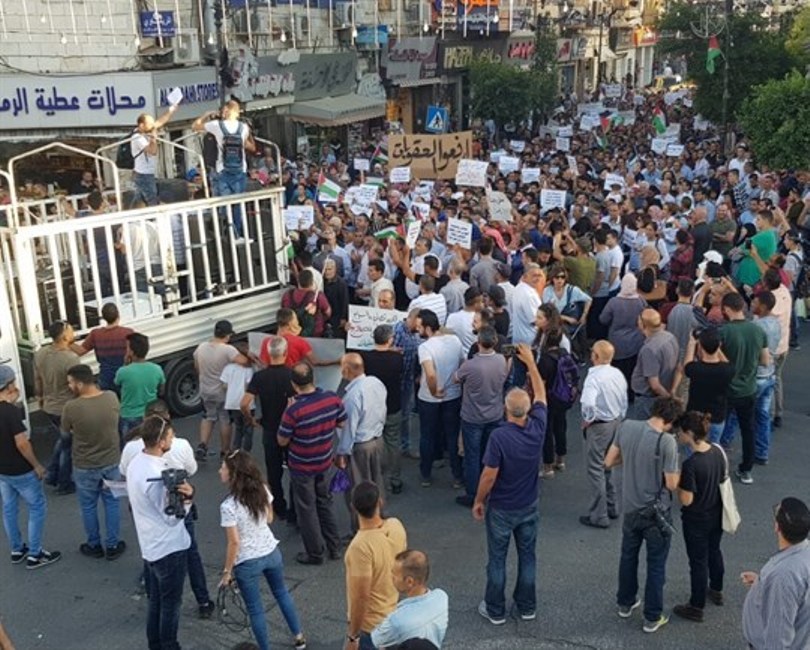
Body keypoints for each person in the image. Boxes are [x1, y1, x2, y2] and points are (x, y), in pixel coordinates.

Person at [119, 400, 215, 620]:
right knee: (191, 552)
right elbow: (191, 469)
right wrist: (188, 498)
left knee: (150, 549)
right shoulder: (180, 446)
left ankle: (151, 587)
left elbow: (123, 470)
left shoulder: (133, 449)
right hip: (176, 509)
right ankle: (203, 599)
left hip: (143, 510)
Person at [473, 343, 546, 626]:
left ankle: (495, 608)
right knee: (528, 556)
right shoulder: (538, 426)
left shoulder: (500, 437)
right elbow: (541, 394)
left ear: (506, 409)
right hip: (529, 504)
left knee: (497, 558)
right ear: (527, 409)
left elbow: (489, 475)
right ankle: (527, 606)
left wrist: (479, 500)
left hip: (502, 507)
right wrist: (531, 364)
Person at [605, 397, 683, 634]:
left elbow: (609, 461)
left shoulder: (626, 426)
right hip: (656, 512)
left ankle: (625, 602)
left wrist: (630, 458)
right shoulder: (667, 442)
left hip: (630, 506)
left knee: (628, 556)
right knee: (656, 564)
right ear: (671, 421)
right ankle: (652, 616)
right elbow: (671, 484)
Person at [218, 451, 307, 650]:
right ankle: (299, 636)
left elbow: (234, 543)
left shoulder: (228, 506)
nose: (220, 471)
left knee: (255, 610)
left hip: (247, 561)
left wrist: (227, 572)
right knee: (282, 593)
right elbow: (269, 519)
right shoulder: (262, 490)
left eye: (223, 468)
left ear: (233, 474)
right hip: (271, 552)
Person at [126, 416, 194, 650]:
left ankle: (155, 644)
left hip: (150, 546)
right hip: (169, 548)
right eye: (171, 437)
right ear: (161, 441)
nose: (173, 440)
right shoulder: (157, 474)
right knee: (170, 606)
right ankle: (169, 645)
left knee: (155, 602)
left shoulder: (136, 462)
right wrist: (188, 498)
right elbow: (171, 517)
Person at [278, 363, 346, 565]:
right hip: (324, 461)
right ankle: (335, 547)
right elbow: (342, 422)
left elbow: (282, 440)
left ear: (294, 384)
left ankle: (315, 553)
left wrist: (287, 411)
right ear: (313, 379)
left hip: (302, 466)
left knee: (307, 509)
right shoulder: (332, 398)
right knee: (325, 502)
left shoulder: (293, 411)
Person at [0, 365, 61, 570]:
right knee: (37, 507)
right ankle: (35, 554)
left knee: (9, 508)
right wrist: (37, 465)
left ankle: (17, 549)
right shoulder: (10, 412)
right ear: (10, 385)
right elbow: (22, 443)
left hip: (2, 471)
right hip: (20, 469)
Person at [62, 364, 125, 561]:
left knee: (88, 506)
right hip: (111, 461)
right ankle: (113, 545)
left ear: (80, 384)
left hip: (84, 465)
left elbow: (65, 433)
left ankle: (94, 544)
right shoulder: (111, 397)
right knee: (112, 503)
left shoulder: (71, 407)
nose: (69, 386)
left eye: (70, 382)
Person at [673, 411, 727, 623]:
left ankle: (696, 606)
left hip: (696, 519)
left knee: (698, 562)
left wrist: (678, 483)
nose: (678, 435)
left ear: (689, 433)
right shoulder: (717, 451)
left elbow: (686, 500)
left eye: (680, 432)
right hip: (717, 513)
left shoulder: (691, 464)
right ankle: (717, 589)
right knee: (714, 551)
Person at [344, 481, 407, 650]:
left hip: (371, 627)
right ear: (380, 502)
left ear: (353, 507)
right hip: (393, 615)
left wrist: (353, 636)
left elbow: (361, 597)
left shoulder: (360, 547)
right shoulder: (396, 526)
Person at [742, 496, 810, 650]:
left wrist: (774, 584)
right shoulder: (805, 554)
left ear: (777, 527)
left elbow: (777, 638)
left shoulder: (783, 576)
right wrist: (762, 583)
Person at [717, 292, 769, 485]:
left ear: (726, 309)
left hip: (727, 388)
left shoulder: (724, 331)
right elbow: (765, 361)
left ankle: (717, 467)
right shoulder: (758, 331)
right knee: (748, 430)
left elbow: (715, 357)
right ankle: (746, 469)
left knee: (719, 429)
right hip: (749, 388)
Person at [454, 326, 509, 508]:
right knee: (490, 455)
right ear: (495, 342)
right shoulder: (501, 360)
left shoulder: (470, 365)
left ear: (478, 343)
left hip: (473, 417)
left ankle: (473, 493)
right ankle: (489, 489)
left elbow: (456, 378)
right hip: (494, 414)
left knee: (472, 456)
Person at [241, 336, 295, 522]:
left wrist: (251, 419)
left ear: (268, 354)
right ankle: (295, 510)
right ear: (285, 353)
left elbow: (244, 403)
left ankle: (279, 506)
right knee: (295, 470)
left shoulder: (259, 377)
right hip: (291, 431)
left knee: (273, 471)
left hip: (270, 429)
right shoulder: (291, 375)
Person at [579, 341, 628, 529]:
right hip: (616, 422)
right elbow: (623, 400)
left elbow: (588, 403)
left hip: (600, 426)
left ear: (596, 356)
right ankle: (612, 506)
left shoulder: (593, 378)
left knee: (595, 469)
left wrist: (588, 419)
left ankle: (599, 515)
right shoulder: (617, 374)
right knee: (608, 465)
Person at [193, 100, 257, 240]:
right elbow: (250, 146)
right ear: (237, 112)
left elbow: (195, 126)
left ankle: (226, 235)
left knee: (224, 205)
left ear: (225, 111)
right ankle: (238, 235)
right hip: (240, 170)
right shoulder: (244, 127)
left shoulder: (216, 125)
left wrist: (206, 114)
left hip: (223, 170)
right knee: (238, 204)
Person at [337, 353, 387, 530]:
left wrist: (342, 453)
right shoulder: (376, 383)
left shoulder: (351, 397)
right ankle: (380, 521)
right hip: (377, 440)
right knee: (377, 484)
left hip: (360, 446)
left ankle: (360, 529)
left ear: (346, 369)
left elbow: (348, 429)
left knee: (358, 491)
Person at [415, 309, 464, 489]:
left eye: (419, 327)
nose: (417, 330)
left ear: (428, 328)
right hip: (453, 395)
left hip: (429, 398)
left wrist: (434, 391)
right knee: (452, 435)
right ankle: (457, 475)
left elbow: (430, 374)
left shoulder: (425, 347)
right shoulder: (455, 340)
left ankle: (426, 474)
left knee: (427, 435)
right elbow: (462, 365)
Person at [193, 320, 252, 461]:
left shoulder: (201, 347)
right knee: (225, 419)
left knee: (208, 416)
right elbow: (245, 362)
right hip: (222, 391)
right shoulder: (228, 350)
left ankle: (203, 445)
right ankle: (225, 450)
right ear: (227, 335)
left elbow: (197, 367)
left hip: (205, 389)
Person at [370, 550, 449, 650]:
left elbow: (375, 640)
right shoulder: (441, 597)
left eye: (394, 575)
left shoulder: (396, 621)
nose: (391, 578)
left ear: (409, 582)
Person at [37, 320, 80, 495]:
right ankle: (64, 482)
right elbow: (77, 385)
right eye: (70, 329)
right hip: (66, 408)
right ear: (64, 336)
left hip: (49, 405)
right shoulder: (71, 358)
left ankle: (51, 473)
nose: (73, 332)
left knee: (63, 440)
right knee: (67, 446)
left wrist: (40, 397)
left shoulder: (40, 353)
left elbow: (38, 379)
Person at [360, 325, 405, 494]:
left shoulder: (365, 358)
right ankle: (395, 479)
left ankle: (376, 478)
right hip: (392, 405)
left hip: (371, 408)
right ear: (390, 339)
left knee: (373, 444)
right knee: (393, 443)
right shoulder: (397, 359)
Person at [682, 329, 735, 444]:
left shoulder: (695, 369)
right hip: (717, 417)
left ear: (700, 346)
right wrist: (716, 347)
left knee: (693, 447)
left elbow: (686, 365)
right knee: (713, 446)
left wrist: (691, 345)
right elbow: (726, 362)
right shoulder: (727, 370)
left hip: (695, 418)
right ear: (719, 345)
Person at [600, 275, 647, 393]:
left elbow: (603, 319)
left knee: (617, 371)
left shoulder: (614, 302)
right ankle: (630, 393)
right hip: (636, 342)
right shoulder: (640, 301)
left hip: (617, 343)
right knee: (632, 370)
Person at [630, 309, 680, 419]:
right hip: (665, 389)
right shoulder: (670, 337)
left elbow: (655, 385)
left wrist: (669, 399)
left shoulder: (649, 349)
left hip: (648, 398)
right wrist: (673, 390)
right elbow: (679, 368)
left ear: (643, 324)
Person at [114, 333, 165, 439]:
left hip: (128, 415)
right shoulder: (157, 369)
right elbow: (161, 390)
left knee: (129, 444)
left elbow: (117, 385)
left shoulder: (123, 371)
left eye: (127, 348)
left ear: (132, 352)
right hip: (150, 414)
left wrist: (125, 364)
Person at [73, 303, 133, 392]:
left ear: (104, 318)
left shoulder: (95, 334)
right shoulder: (128, 333)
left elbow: (80, 351)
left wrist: (67, 341)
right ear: (118, 315)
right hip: (125, 375)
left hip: (106, 377)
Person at [130, 105, 179, 208]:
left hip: (146, 173)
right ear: (142, 125)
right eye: (149, 124)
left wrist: (171, 110)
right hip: (143, 174)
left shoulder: (147, 131)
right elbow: (153, 151)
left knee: (139, 199)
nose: (152, 126)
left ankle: (133, 213)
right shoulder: (137, 137)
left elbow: (160, 121)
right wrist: (153, 139)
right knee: (151, 199)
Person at [281, 269, 332, 338]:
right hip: (315, 334)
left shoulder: (287, 295)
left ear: (298, 281)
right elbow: (328, 313)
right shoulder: (318, 296)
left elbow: (283, 314)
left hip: (292, 334)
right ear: (312, 282)